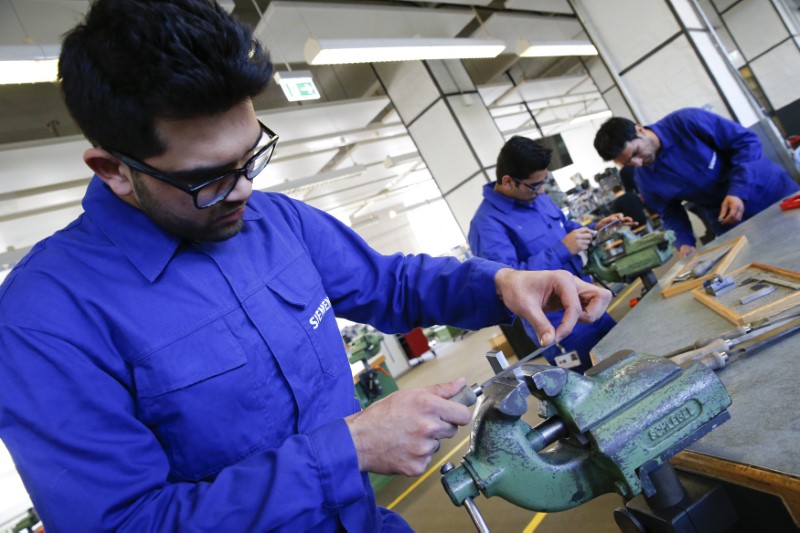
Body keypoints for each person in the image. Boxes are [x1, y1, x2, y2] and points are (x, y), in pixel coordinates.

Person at [0, 1, 613, 530]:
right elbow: (126, 523)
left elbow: (389, 283)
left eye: (250, 157)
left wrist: (504, 282)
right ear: (113, 170)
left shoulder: (274, 221)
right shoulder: (43, 321)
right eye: (209, 177)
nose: (242, 190)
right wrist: (346, 451)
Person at [468, 136, 627, 374]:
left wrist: (594, 229)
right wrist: (563, 249)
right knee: (595, 386)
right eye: (535, 185)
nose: (542, 191)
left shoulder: (539, 198)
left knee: (628, 363)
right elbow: (507, 283)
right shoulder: (487, 225)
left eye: (545, 182)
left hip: (589, 301)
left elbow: (564, 227)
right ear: (508, 181)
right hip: (560, 326)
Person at [594, 108, 800, 258]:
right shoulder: (644, 178)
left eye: (635, 153)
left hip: (772, 193)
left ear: (639, 129)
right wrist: (684, 243)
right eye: (628, 162)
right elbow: (670, 213)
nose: (637, 163)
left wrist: (738, 190)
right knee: (764, 264)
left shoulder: (687, 122)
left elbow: (747, 143)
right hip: (729, 219)